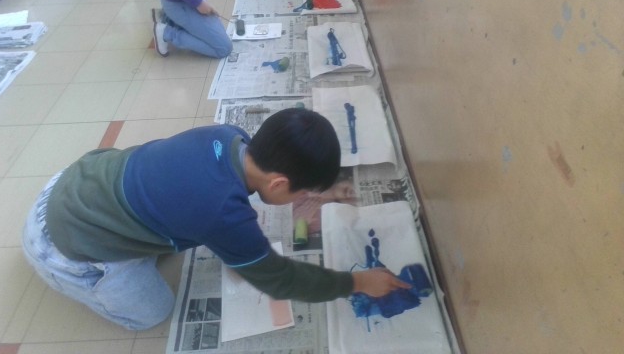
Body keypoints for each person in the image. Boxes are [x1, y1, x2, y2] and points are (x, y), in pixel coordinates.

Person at [21, 109, 410, 330]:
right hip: (59, 237)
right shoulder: (222, 211)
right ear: (278, 182)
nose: (302, 201)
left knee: (177, 226)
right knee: (153, 313)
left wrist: (316, 188)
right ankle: (70, 277)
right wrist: (357, 282)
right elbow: (280, 279)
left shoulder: (231, 136)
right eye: (300, 194)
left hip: (79, 179)